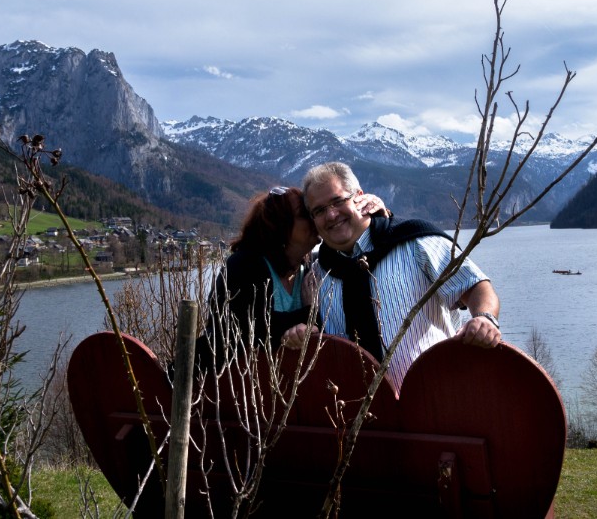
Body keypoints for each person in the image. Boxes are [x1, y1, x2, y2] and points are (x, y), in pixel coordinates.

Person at [283, 162, 501, 390]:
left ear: (359, 197)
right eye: (319, 210)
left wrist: (484, 318)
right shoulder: (316, 275)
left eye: (338, 201)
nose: (331, 214)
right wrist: (299, 334)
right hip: (357, 408)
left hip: (436, 396)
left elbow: (475, 286)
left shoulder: (417, 243)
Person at [198, 185, 386, 371]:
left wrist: (376, 216)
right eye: (306, 214)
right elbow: (253, 329)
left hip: (283, 384)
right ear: (281, 225)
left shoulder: (310, 267)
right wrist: (309, 312)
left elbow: (353, 253)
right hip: (223, 381)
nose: (315, 220)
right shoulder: (244, 265)